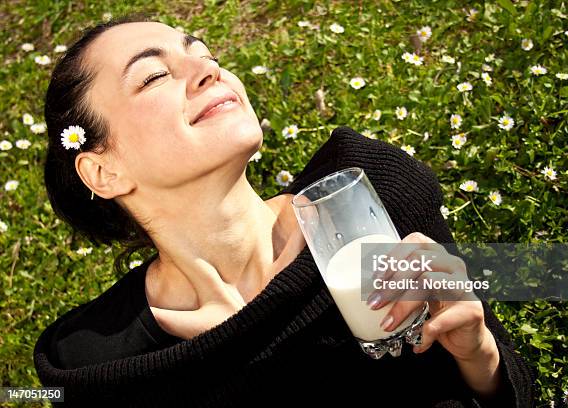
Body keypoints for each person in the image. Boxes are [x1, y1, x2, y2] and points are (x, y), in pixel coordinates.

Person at [33, 14, 536, 407]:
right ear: (104, 171)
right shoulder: (89, 359)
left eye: (203, 53)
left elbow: (509, 393)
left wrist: (480, 355)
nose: (208, 69)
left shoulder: (368, 195)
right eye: (154, 76)